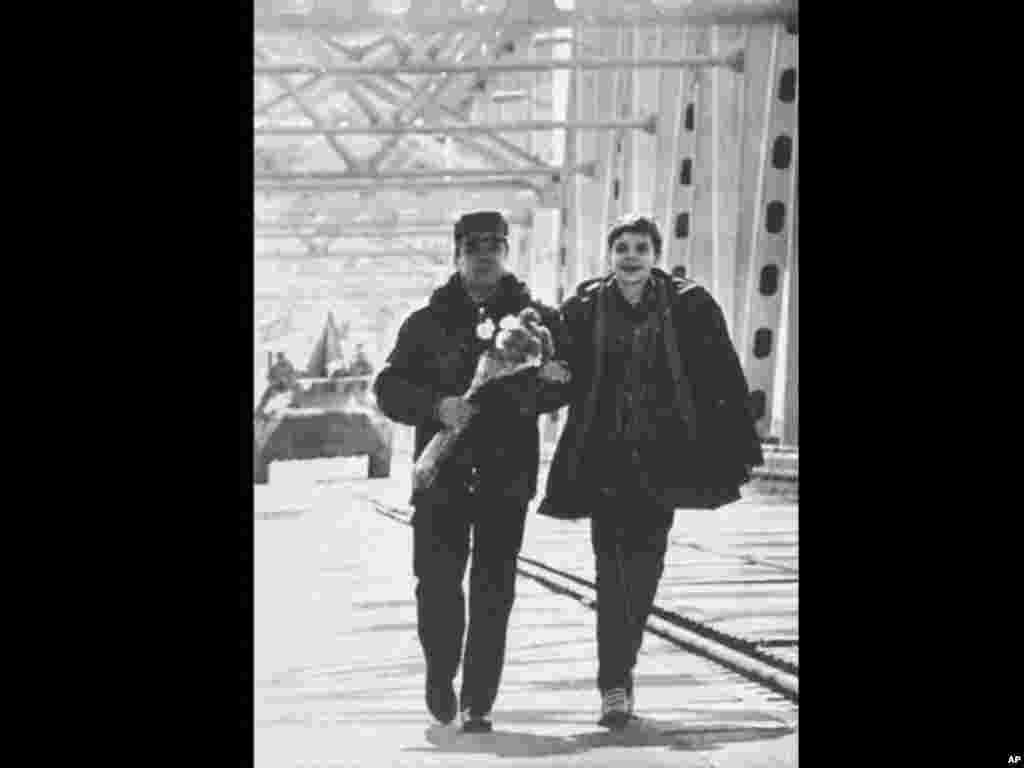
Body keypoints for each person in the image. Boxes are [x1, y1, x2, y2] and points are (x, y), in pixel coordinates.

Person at [537, 213, 764, 729]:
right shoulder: (584, 308)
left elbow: (721, 376)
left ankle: (621, 666)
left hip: (662, 459)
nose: (631, 256)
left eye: (641, 247)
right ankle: (613, 684)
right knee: (608, 569)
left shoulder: (690, 304)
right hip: (603, 458)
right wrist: (549, 376)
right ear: (610, 255)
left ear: (656, 255)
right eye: (622, 248)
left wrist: (731, 442)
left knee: (644, 569)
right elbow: (561, 376)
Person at [373, 210, 569, 733]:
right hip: (441, 476)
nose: (485, 254)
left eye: (495, 245)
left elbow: (567, 379)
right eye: (474, 245)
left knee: (493, 587)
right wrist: (437, 407)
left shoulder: (537, 318)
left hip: (507, 473)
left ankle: (478, 699)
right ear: (457, 254)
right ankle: (441, 671)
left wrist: (547, 383)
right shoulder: (424, 322)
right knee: (436, 583)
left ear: (507, 253)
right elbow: (388, 389)